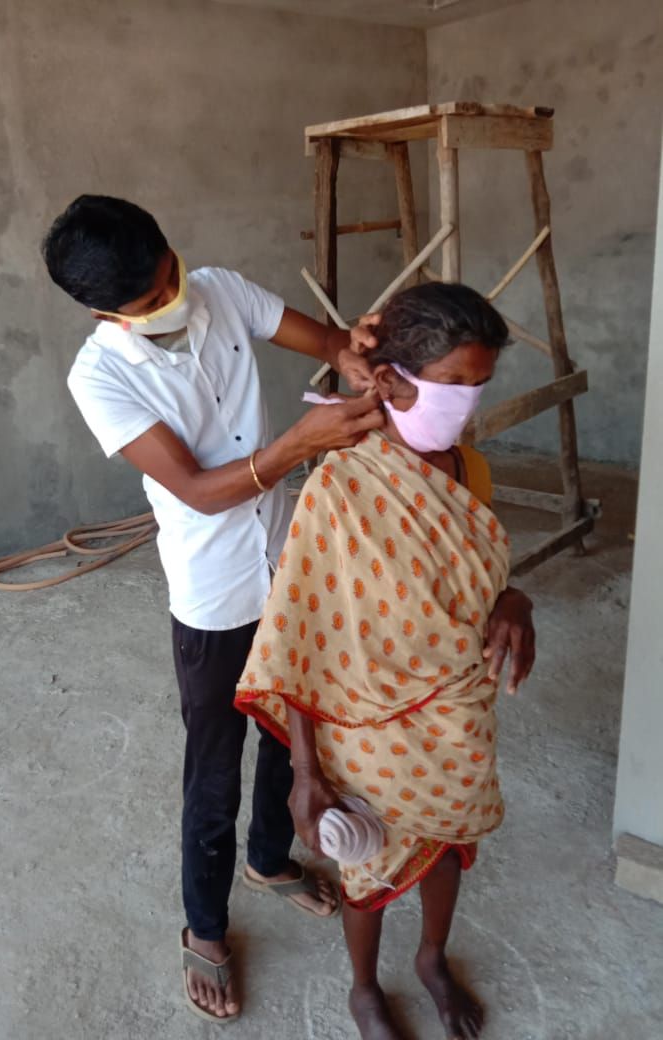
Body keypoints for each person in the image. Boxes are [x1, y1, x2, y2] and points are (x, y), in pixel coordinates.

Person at [41, 195, 384, 1023]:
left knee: (288, 724)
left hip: (284, 566)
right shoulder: (102, 375)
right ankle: (204, 927)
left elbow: (333, 345)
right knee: (213, 761)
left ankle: (269, 857)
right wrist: (299, 446)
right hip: (212, 594)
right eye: (152, 299)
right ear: (102, 313)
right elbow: (194, 490)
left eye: (170, 273)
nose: (174, 296)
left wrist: (360, 358)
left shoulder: (223, 291)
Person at [235, 282, 536, 1040]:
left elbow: (480, 573)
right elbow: (298, 635)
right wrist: (305, 773)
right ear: (392, 380)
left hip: (458, 714)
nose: (467, 404)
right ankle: (364, 988)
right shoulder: (338, 484)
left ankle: (432, 957)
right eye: (454, 383)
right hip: (362, 725)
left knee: (444, 842)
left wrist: (515, 603)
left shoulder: (468, 472)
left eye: (481, 385)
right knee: (365, 865)